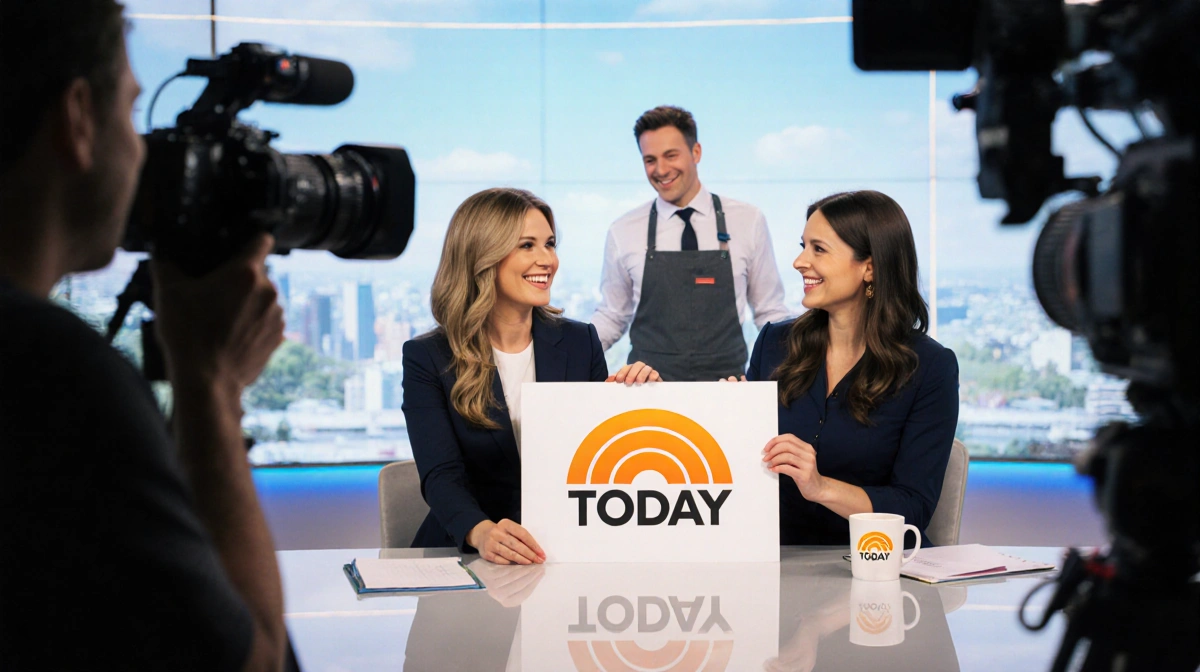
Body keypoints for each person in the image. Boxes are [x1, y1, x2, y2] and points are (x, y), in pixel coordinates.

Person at [0, 2, 290, 669]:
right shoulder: (51, 375)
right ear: (78, 118)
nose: (143, 152)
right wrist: (210, 383)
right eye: (131, 115)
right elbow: (253, 661)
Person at [402, 188, 658, 565]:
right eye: (527, 245)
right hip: (467, 554)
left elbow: (600, 463)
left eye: (550, 244)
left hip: (564, 551)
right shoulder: (428, 357)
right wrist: (481, 531)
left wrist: (643, 406)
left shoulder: (581, 341)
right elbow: (441, 475)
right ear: (482, 256)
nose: (547, 260)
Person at [745, 191, 959, 545]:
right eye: (803, 246)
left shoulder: (930, 367)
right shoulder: (773, 343)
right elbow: (741, 470)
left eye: (819, 249)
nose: (799, 261)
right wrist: (721, 416)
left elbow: (913, 507)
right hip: (776, 558)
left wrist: (820, 487)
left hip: (874, 563)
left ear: (869, 267)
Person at [590, 105, 790, 382]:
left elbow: (770, 310)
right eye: (650, 160)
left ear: (696, 152)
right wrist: (572, 351)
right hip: (645, 392)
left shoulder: (748, 220)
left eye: (671, 155)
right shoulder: (623, 230)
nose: (661, 170)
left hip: (727, 391)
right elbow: (613, 315)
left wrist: (803, 357)